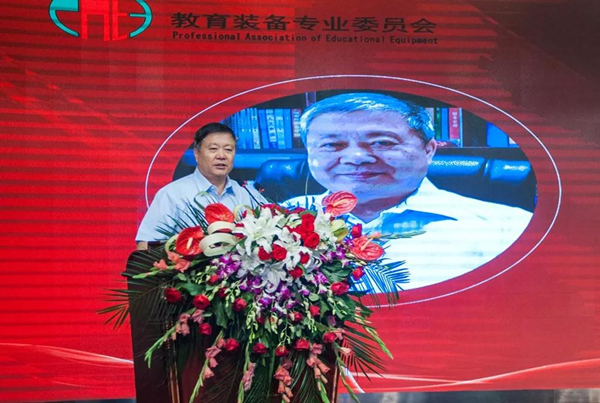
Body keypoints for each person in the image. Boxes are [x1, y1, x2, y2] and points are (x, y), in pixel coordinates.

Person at [284, 93, 533, 290]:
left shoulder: (508, 229)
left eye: (381, 142)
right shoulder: (276, 220)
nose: (356, 157)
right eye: (331, 144)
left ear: (429, 150)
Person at [136, 122, 266, 249]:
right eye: (213, 149)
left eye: (228, 150)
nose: (221, 156)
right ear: (196, 154)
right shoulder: (172, 194)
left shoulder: (249, 194)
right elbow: (146, 246)